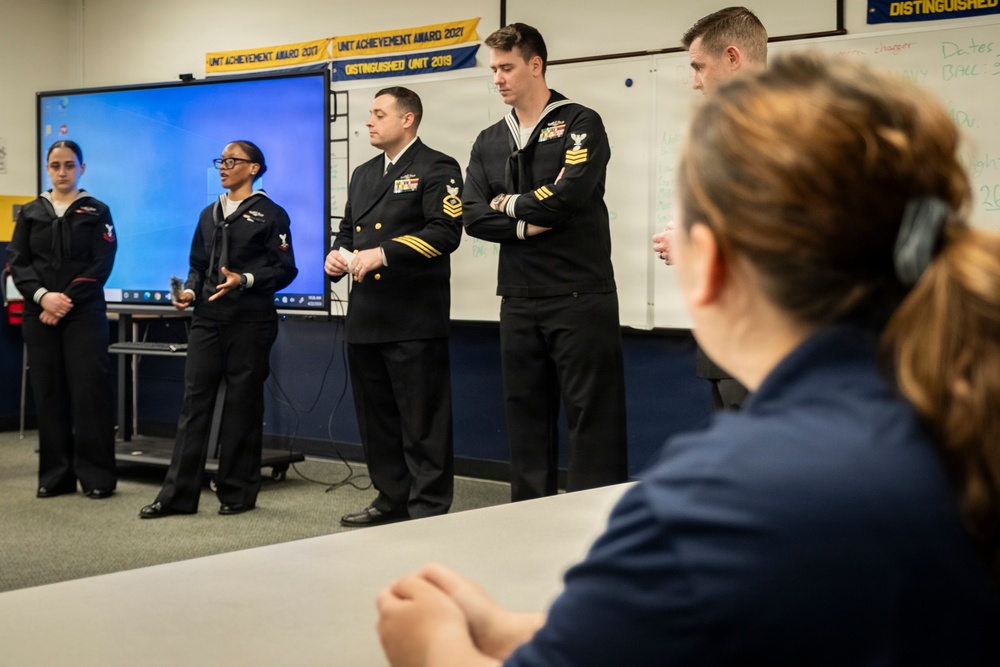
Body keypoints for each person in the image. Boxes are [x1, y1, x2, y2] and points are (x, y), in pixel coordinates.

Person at [376, 53, 1000, 665]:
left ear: (710, 264)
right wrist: (516, 627)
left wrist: (432, 643)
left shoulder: (721, 497)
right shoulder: (962, 424)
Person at [462, 23, 628, 502]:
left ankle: (598, 521)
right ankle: (527, 520)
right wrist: (527, 219)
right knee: (525, 418)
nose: (498, 78)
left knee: (592, 417)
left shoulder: (580, 121)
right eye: (493, 69)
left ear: (536, 65)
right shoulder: (490, 139)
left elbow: (567, 199)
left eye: (507, 67)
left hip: (580, 293)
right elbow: (473, 216)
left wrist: (507, 204)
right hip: (518, 296)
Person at [324, 87, 463, 527]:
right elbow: (348, 230)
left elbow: (445, 233)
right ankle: (391, 499)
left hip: (413, 317)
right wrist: (336, 256)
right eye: (370, 114)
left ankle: (428, 509)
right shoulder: (364, 173)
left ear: (407, 120)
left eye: (379, 114)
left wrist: (383, 253)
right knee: (377, 420)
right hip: (367, 317)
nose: (369, 121)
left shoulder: (436, 167)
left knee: (423, 422)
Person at [140, 140, 297, 518]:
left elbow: (285, 270)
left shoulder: (272, 214)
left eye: (232, 161)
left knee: (242, 407)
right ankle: (177, 496)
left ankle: (237, 493)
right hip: (207, 321)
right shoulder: (208, 214)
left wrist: (243, 278)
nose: (223, 167)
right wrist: (191, 290)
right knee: (194, 405)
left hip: (250, 323)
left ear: (254, 168)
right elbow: (198, 264)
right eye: (220, 161)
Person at [652, 6, 767, 411]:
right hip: (726, 339)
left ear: (732, 58)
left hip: (764, 341)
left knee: (763, 466)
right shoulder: (726, 127)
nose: (695, 82)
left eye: (699, 67)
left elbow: (784, 230)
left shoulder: (780, 129)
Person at [7, 140, 118, 499]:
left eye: (69, 165)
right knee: (49, 393)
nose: (62, 172)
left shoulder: (97, 210)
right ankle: (55, 477)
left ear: (81, 168)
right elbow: (18, 263)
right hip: (39, 314)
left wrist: (65, 300)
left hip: (83, 314)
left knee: (89, 394)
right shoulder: (30, 212)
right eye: (55, 166)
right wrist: (43, 298)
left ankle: (97, 478)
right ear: (47, 168)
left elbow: (101, 263)